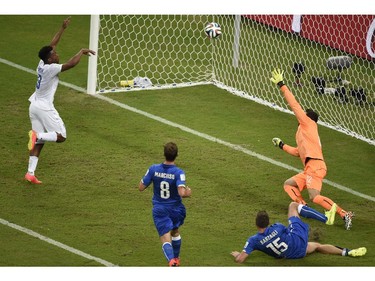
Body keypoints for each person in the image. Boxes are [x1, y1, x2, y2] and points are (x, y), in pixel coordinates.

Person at [269, 69, 354, 230]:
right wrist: (281, 145)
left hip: (315, 167)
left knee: (315, 197)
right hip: (310, 167)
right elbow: (297, 152)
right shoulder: (304, 133)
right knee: (289, 184)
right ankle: (302, 206)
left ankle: (344, 214)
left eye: (305, 113)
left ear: (308, 117)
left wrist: (282, 85)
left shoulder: (308, 124)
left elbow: (294, 105)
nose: (302, 114)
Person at [25, 17, 96, 184]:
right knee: (61, 136)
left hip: (34, 106)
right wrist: (81, 51)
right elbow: (71, 64)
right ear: (50, 59)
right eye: (54, 54)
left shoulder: (42, 64)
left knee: (40, 143)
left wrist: (62, 28)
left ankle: (30, 173)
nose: (57, 54)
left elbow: (52, 44)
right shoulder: (51, 68)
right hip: (44, 107)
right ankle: (36, 135)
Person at [230, 202, 366, 263]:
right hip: (296, 240)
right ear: (268, 222)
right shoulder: (277, 226)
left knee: (316, 245)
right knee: (293, 206)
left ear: (256, 224)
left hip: (293, 254)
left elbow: (240, 259)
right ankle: (326, 220)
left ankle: (347, 251)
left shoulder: (253, 241)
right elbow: (287, 230)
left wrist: (237, 254)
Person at [139, 142, 192, 266]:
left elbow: (141, 187)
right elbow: (181, 192)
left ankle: (172, 261)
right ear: (176, 155)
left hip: (160, 209)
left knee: (165, 237)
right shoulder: (179, 172)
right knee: (175, 232)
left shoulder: (153, 169)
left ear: (164, 154)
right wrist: (188, 193)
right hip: (176, 209)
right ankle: (177, 259)